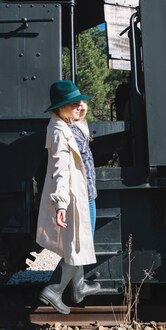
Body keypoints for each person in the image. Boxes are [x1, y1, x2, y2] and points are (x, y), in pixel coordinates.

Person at [36, 80, 101, 314]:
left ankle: (79, 287)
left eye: (79, 102)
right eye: (73, 104)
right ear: (60, 107)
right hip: (75, 196)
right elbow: (60, 170)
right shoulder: (58, 131)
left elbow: (83, 129)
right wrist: (61, 204)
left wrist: (80, 112)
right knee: (78, 244)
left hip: (86, 192)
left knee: (81, 242)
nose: (79, 106)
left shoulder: (69, 123)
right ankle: (53, 290)